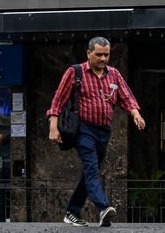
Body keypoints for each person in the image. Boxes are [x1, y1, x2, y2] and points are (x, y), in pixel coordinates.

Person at [47, 36, 146, 227]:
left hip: (104, 131)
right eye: (99, 54)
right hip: (83, 129)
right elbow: (58, 100)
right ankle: (103, 208)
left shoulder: (114, 74)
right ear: (89, 53)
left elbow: (126, 97)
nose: (103, 59)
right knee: (92, 168)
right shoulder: (75, 72)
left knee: (90, 172)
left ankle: (72, 212)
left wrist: (136, 115)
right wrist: (53, 127)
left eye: (106, 55)